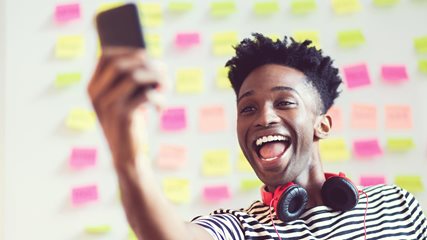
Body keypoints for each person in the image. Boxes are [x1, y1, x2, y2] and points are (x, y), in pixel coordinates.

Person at [87, 33, 427, 240]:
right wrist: (126, 154)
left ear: (322, 124)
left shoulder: (397, 205)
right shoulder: (240, 227)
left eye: (284, 103)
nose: (264, 118)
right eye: (248, 108)